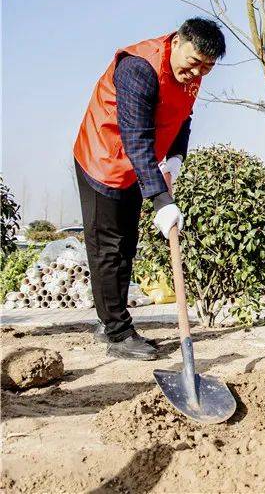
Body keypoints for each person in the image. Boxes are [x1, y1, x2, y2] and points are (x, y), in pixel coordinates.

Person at [73, 18, 226, 361]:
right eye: (194, 63)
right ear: (178, 42)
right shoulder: (139, 69)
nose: (197, 73)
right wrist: (161, 199)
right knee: (108, 248)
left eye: (207, 68)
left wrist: (175, 158)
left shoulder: (191, 74)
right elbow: (135, 137)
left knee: (126, 244)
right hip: (105, 158)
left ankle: (108, 318)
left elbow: (183, 117)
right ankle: (117, 333)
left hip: (139, 164)